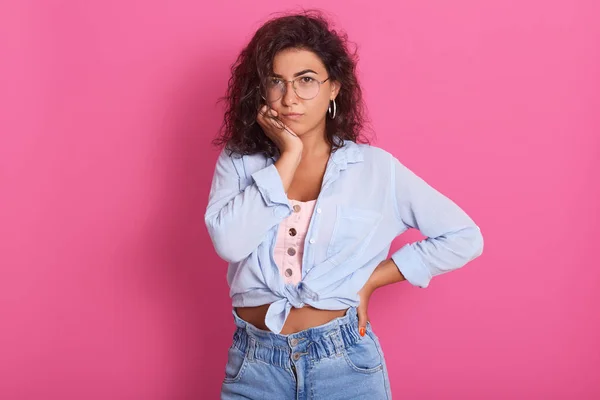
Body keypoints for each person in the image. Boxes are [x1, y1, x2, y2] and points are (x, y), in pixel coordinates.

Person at [205, 10, 484, 400]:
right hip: (255, 365)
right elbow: (230, 244)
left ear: (333, 87)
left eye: (306, 81)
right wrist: (288, 156)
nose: (289, 98)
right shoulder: (239, 161)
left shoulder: (374, 169)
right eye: (276, 82)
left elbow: (464, 236)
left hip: (344, 366)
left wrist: (374, 279)